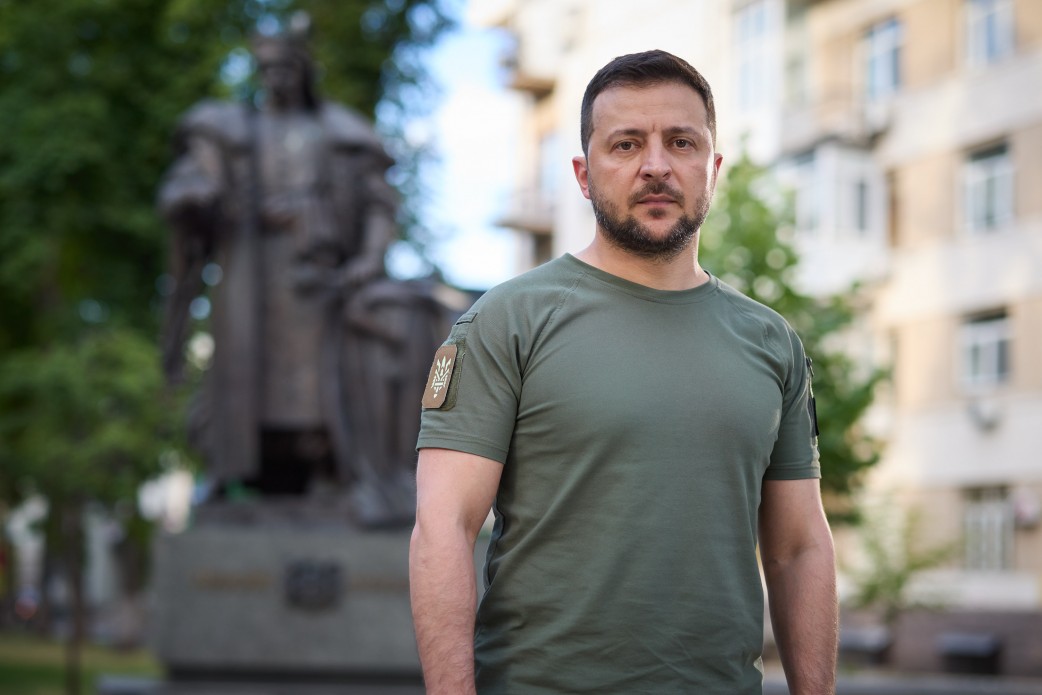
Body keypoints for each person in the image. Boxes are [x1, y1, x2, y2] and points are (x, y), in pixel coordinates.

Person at [410, 50, 838, 693]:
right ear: (584, 175)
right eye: (626, 144)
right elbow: (444, 527)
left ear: (712, 168)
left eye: (681, 142)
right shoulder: (508, 320)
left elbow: (799, 546)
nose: (657, 166)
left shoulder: (772, 342)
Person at [159, 16, 447, 526]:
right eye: (268, 68)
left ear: (305, 70)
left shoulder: (340, 133)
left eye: (288, 67)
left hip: (320, 284)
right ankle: (237, 477)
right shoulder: (230, 132)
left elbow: (380, 205)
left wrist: (366, 259)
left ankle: (333, 473)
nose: (278, 78)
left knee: (319, 385)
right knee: (248, 375)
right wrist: (195, 197)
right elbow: (190, 187)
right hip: (250, 277)